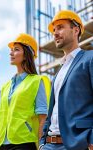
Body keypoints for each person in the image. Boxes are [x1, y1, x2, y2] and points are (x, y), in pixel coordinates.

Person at [39, 10, 93, 150]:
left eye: (61, 27)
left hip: (77, 144)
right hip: (49, 145)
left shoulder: (90, 58)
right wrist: (42, 141)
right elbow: (52, 109)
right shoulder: (59, 72)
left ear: (76, 30)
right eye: (54, 30)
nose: (55, 33)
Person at [0, 33, 48, 150]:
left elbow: (43, 118)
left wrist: (41, 146)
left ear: (26, 55)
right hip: (2, 144)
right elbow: (2, 117)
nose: (11, 53)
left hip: (23, 143)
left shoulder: (36, 81)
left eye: (16, 50)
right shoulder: (6, 86)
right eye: (11, 50)